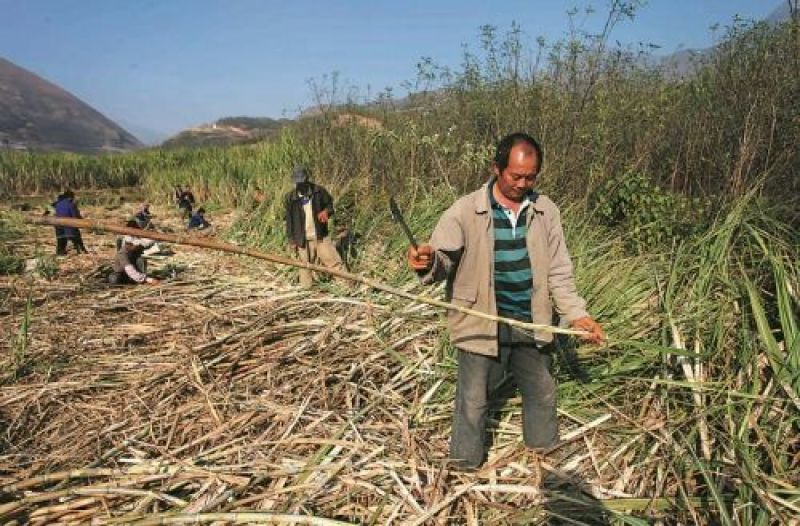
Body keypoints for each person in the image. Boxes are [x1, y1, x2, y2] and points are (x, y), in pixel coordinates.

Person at [407, 132, 605, 470]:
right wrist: (427, 261)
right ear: (496, 168)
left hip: (530, 319)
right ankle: (463, 465)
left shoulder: (545, 211)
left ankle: (545, 455)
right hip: (480, 321)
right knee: (472, 399)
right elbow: (442, 258)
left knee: (542, 388)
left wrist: (577, 315)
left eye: (531, 177)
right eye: (516, 176)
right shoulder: (465, 211)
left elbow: (559, 271)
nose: (523, 183)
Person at [284, 165, 345, 288]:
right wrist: (291, 239)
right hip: (301, 238)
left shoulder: (319, 191)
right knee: (304, 266)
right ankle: (306, 290)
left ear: (307, 179)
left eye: (303, 182)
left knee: (333, 261)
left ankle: (346, 285)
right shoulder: (290, 198)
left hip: (320, 235)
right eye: (298, 183)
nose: (301, 186)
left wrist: (326, 211)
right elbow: (289, 220)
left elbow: (330, 206)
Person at [53, 190, 88, 255]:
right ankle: (81, 250)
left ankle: (60, 252)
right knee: (77, 239)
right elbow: (75, 217)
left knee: (61, 241)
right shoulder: (71, 204)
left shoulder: (57, 204)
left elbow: (50, 212)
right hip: (69, 227)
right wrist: (83, 221)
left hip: (58, 228)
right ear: (70, 197)